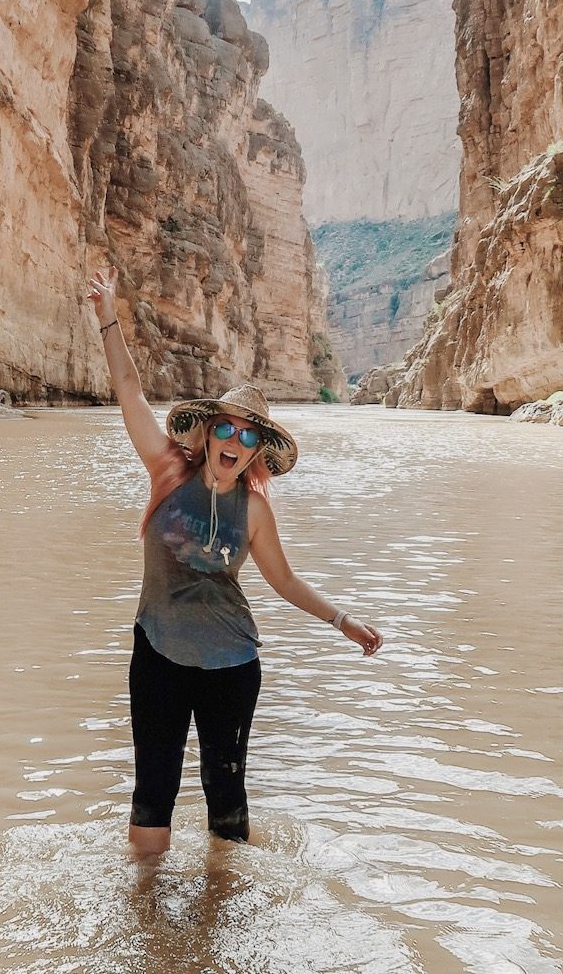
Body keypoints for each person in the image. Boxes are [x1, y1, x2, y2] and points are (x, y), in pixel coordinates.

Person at [86, 266, 383, 856]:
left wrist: (342, 620)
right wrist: (107, 316)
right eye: (228, 428)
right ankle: (144, 918)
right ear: (209, 431)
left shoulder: (254, 510)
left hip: (231, 665)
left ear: (257, 454)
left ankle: (220, 922)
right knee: (153, 792)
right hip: (158, 653)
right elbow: (130, 391)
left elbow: (285, 579)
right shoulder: (167, 470)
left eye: (250, 438)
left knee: (226, 802)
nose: (236, 442)